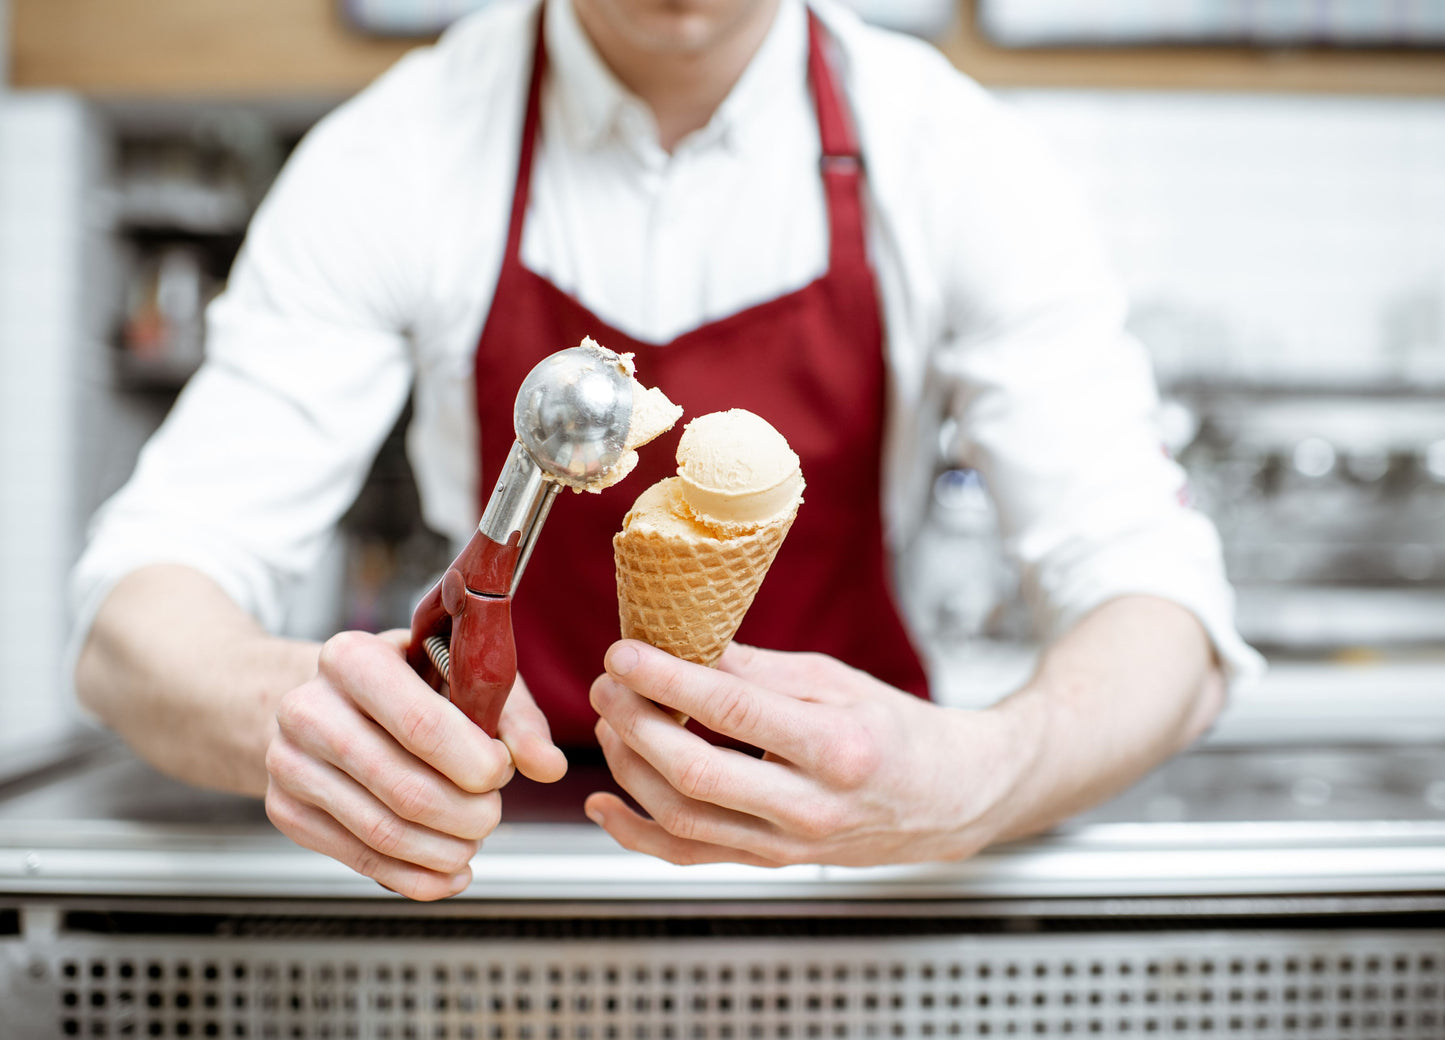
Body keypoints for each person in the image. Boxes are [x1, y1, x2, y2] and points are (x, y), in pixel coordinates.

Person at [71, 0, 1262, 901]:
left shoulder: (953, 154)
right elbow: (140, 614)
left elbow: (1154, 596)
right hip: (493, 872)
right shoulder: (398, 149)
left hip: (859, 876)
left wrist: (984, 773)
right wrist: (298, 711)